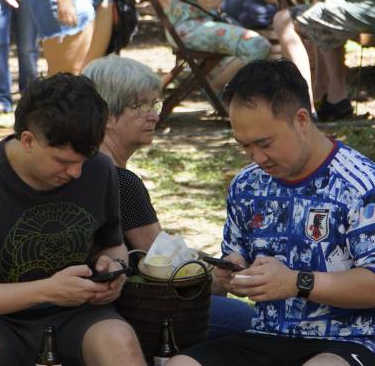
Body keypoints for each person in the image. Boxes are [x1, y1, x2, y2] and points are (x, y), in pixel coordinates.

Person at [168, 59, 375, 366]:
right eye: (244, 146)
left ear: (301, 120)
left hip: (357, 342)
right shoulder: (247, 184)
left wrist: (298, 282)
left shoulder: (364, 185)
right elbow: (235, 258)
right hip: (267, 336)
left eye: (264, 143)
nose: (257, 157)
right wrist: (231, 274)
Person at [0, 73, 145, 366]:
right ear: (28, 140)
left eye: (84, 160)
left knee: (120, 341)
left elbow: (112, 246)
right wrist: (46, 290)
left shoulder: (100, 169)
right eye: (64, 161)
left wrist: (114, 268)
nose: (76, 173)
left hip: (77, 316)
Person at [81, 55, 256, 338]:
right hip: (137, 311)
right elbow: (167, 267)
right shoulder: (121, 182)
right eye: (139, 106)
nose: (154, 115)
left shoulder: (80, 167)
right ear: (107, 115)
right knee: (252, 323)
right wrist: (220, 277)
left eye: (154, 104)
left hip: (104, 307)